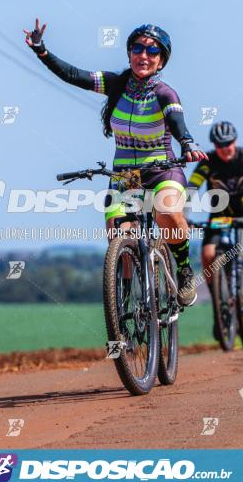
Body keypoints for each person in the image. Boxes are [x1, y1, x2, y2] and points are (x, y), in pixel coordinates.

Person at [24, 18, 207, 305]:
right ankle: (120, 305)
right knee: (119, 237)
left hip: (163, 169)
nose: (143, 55)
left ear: (161, 61)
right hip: (125, 175)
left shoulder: (164, 93)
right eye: (137, 48)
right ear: (129, 53)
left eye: (152, 51)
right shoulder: (115, 84)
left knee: (167, 214)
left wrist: (187, 142)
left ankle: (183, 270)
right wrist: (41, 51)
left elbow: (176, 119)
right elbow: (73, 74)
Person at [188, 121, 243, 310]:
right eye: (220, 145)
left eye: (228, 143)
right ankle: (217, 300)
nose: (225, 148)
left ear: (235, 141)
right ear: (214, 146)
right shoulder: (207, 161)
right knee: (207, 254)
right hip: (219, 215)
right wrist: (183, 216)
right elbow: (191, 189)